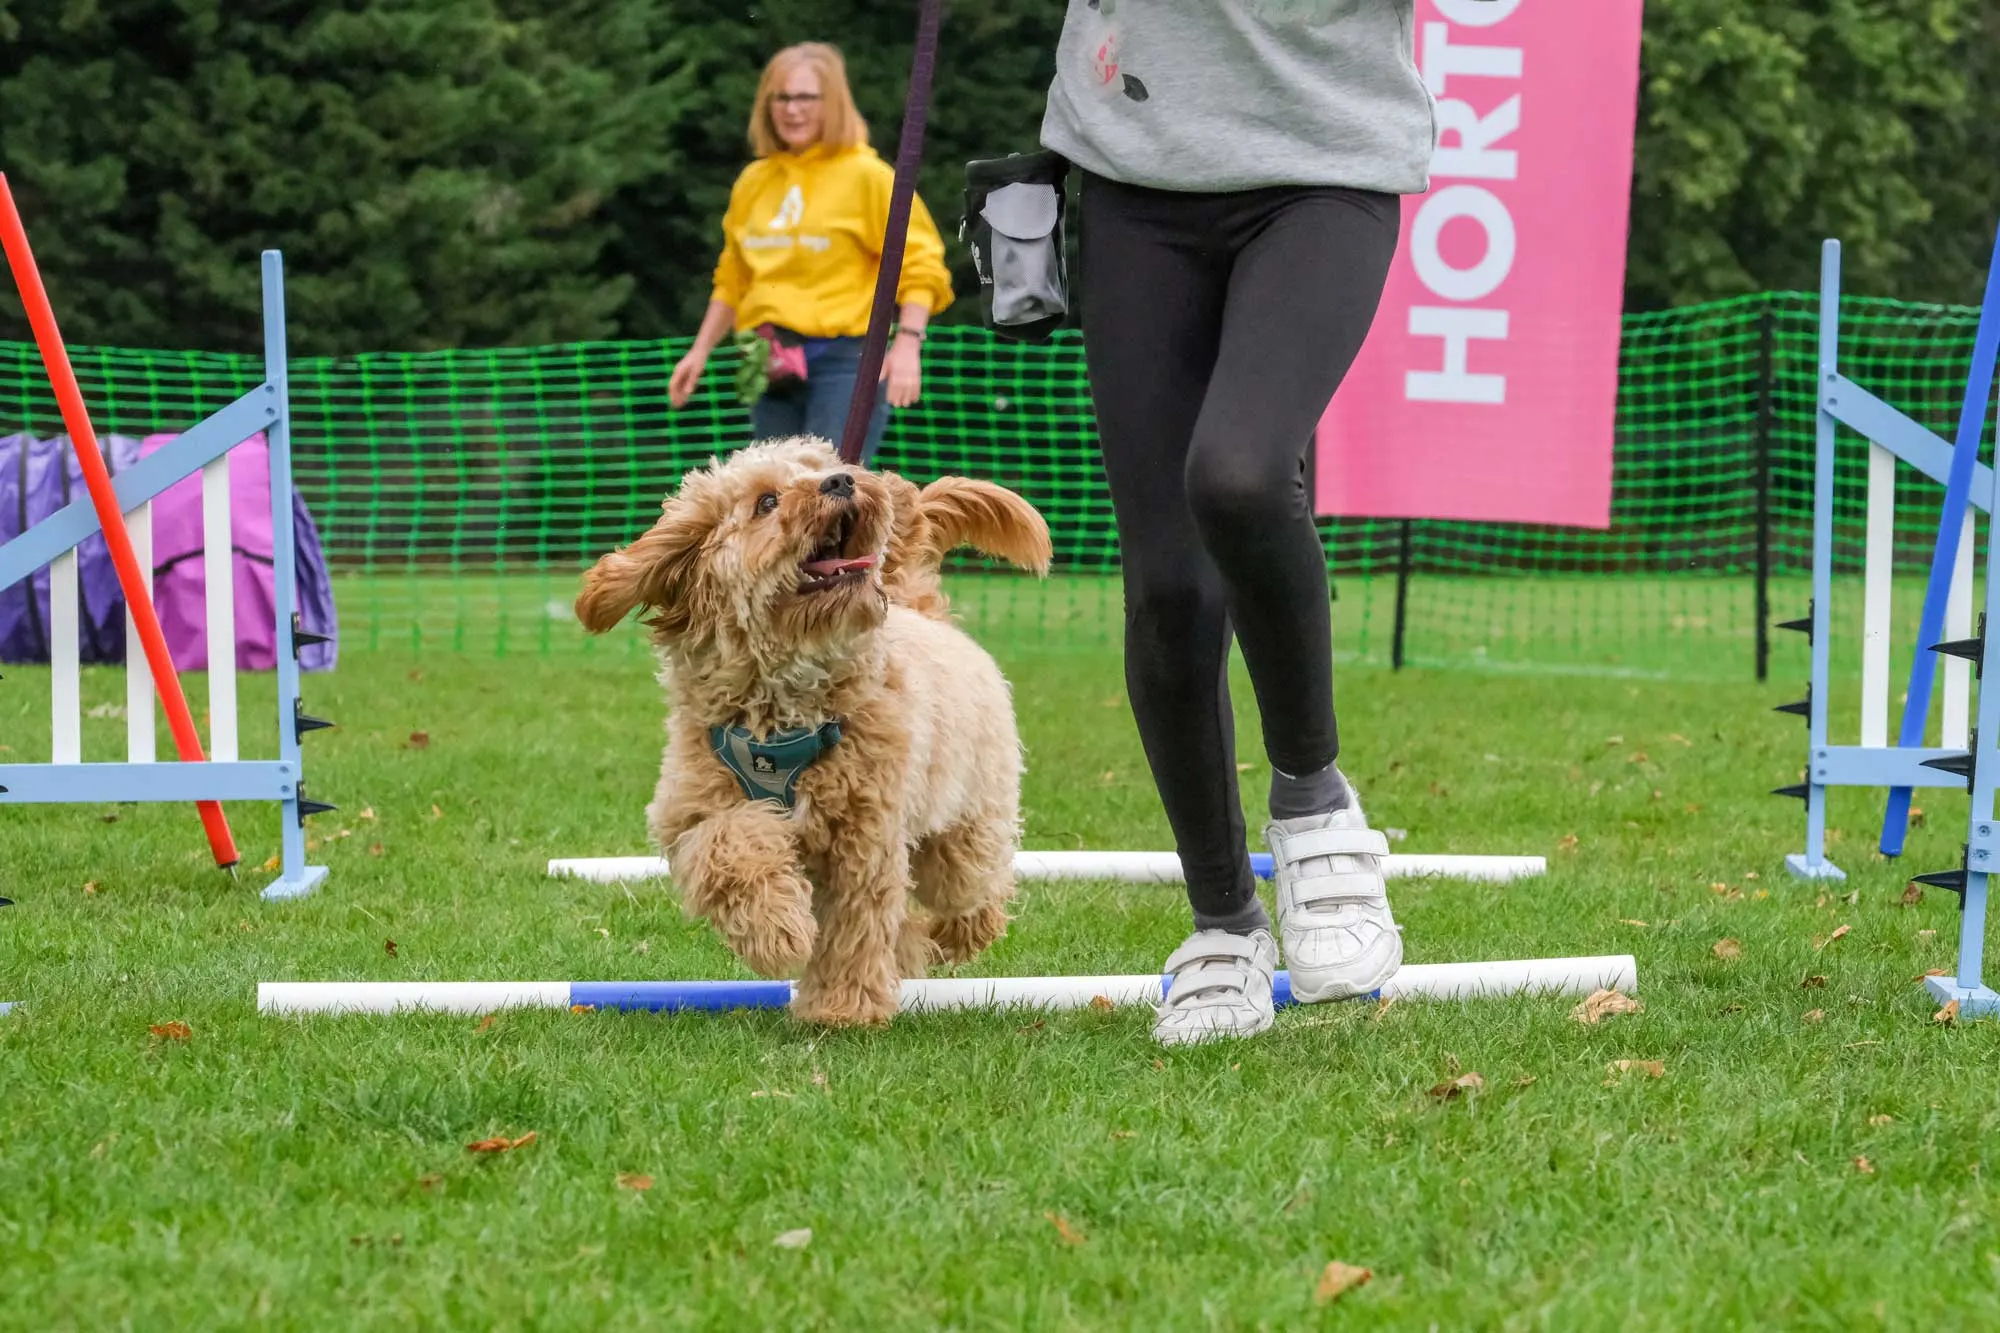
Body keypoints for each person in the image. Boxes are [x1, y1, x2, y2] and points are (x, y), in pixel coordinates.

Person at [1040, 0, 1442, 1044]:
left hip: (1323, 161)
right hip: (1135, 170)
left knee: (1237, 473)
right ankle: (1220, 924)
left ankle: (1314, 807)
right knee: (1167, 584)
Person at [669, 42, 955, 463]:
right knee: (773, 499)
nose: (791, 109)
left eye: (805, 97)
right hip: (770, 360)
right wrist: (699, 350)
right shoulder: (754, 181)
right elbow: (733, 276)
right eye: (780, 98)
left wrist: (908, 345)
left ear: (833, 103)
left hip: (846, 361)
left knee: (831, 490)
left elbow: (921, 265)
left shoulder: (869, 177)